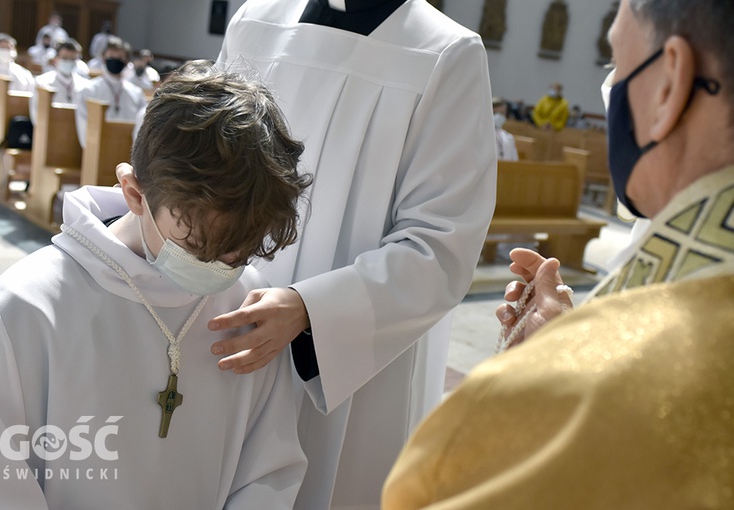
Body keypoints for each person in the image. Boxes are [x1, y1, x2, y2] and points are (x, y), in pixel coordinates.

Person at [382, 0, 734, 507]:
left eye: (617, 62)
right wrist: (571, 343)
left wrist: (559, 375)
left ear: (668, 85)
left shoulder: (589, 403)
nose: (611, 84)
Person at [0, 60, 311, 509]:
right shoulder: (22, 309)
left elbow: (270, 469)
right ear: (135, 193)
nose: (223, 268)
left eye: (240, 249)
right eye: (199, 246)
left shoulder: (250, 304)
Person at [212, 1, 496, 508]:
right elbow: (206, 163)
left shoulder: (445, 53)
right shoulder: (256, 18)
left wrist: (308, 309)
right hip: (226, 319)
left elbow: (441, 245)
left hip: (350, 357)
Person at [75, 36, 147, 148]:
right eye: (111, 56)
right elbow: (84, 126)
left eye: (120, 57)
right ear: (103, 58)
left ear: (127, 61)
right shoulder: (89, 90)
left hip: (127, 152)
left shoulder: (136, 93)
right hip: (97, 150)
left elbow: (141, 129)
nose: (115, 60)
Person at [29, 39, 90, 125]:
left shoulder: (85, 85)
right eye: (64, 58)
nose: (68, 62)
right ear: (56, 59)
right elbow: (36, 112)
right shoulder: (42, 82)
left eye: (72, 59)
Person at [492, 96, 518, 161]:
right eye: (495, 113)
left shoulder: (508, 137)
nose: (499, 117)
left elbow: (515, 161)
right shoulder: (481, 135)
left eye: (502, 113)